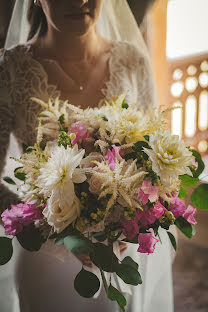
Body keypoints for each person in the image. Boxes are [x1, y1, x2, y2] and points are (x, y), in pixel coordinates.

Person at [0, 0, 174, 311]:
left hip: (119, 251)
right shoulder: (12, 70)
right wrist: (52, 224)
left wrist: (132, 220)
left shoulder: (131, 60)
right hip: (46, 254)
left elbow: (156, 158)